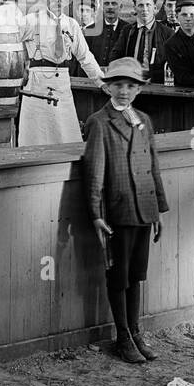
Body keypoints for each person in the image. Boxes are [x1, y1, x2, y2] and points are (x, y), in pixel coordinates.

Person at [82, 56, 168, 365]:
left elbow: (154, 168)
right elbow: (93, 173)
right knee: (118, 276)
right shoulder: (99, 123)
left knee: (136, 274)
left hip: (143, 210)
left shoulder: (144, 119)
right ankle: (122, 337)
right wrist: (95, 214)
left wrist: (157, 210)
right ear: (107, 88)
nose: (124, 91)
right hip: (117, 212)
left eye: (131, 86)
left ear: (139, 90)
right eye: (118, 85)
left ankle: (135, 332)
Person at [16, 0, 105, 146]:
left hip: (62, 83)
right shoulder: (31, 21)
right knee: (35, 136)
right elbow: (10, 42)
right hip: (37, 84)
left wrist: (102, 82)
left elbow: (85, 57)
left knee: (65, 136)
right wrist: (19, 68)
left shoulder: (72, 25)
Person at [107, 0, 173, 79]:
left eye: (148, 5)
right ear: (134, 8)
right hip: (131, 82)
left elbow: (171, 63)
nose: (144, 9)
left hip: (157, 84)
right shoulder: (127, 31)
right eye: (140, 5)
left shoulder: (167, 33)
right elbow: (115, 56)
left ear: (154, 7)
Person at [88, 0, 129, 67]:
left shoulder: (128, 30)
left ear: (120, 7)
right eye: (106, 3)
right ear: (102, 6)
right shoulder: (90, 30)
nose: (110, 7)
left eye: (114, 4)